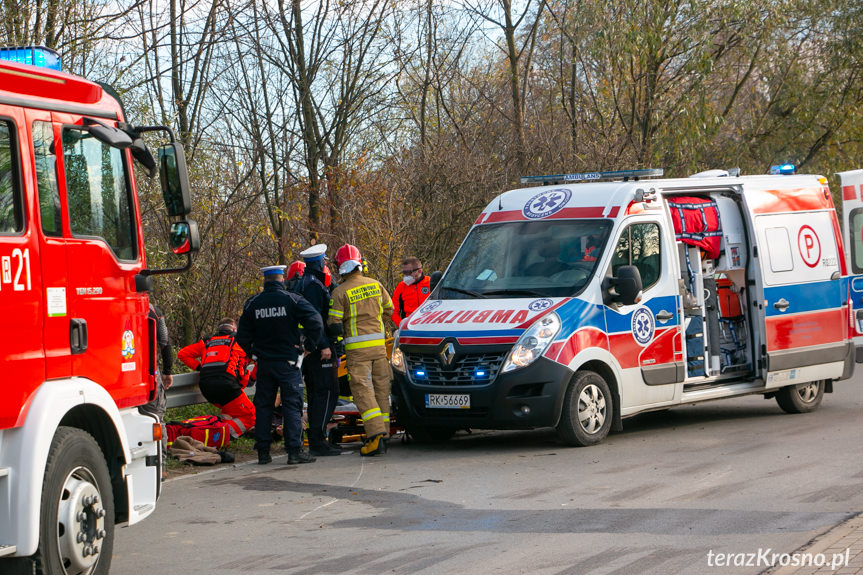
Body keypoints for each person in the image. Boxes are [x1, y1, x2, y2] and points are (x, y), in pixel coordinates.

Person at [236, 265, 329, 465]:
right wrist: (309, 346)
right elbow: (316, 321)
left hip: (265, 364)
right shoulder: (292, 300)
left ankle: (263, 452)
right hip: (288, 363)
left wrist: (252, 352)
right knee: (291, 406)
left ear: (265, 281)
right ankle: (294, 451)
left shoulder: (254, 304)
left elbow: (241, 336)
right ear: (282, 281)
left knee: (263, 406)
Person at [328, 244, 394, 456]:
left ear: (340, 267)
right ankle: (383, 433)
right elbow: (389, 310)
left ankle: (374, 437)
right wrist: (378, 327)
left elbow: (335, 325)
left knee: (363, 392)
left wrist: (340, 339)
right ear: (359, 263)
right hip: (379, 349)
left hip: (358, 352)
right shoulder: (376, 284)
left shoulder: (339, 292)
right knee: (382, 390)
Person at [177, 318, 256, 439]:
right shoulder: (241, 341)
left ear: (218, 329)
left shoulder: (208, 341)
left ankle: (216, 436)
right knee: (250, 416)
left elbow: (182, 354)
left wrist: (200, 367)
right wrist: (252, 379)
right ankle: (215, 436)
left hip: (206, 388)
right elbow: (261, 359)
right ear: (234, 329)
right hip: (228, 386)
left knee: (229, 412)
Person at [297, 244, 342, 456]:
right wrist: (324, 344)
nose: (326, 264)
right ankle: (318, 440)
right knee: (326, 392)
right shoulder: (314, 286)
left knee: (317, 393)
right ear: (318, 263)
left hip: (311, 347)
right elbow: (314, 319)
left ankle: (317, 437)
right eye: (323, 261)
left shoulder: (305, 282)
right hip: (318, 348)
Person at [391, 256, 431, 327]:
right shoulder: (401, 287)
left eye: (409, 272)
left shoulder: (431, 283)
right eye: (404, 272)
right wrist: (401, 325)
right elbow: (393, 311)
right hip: (410, 326)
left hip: (430, 324)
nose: (406, 275)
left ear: (419, 271)